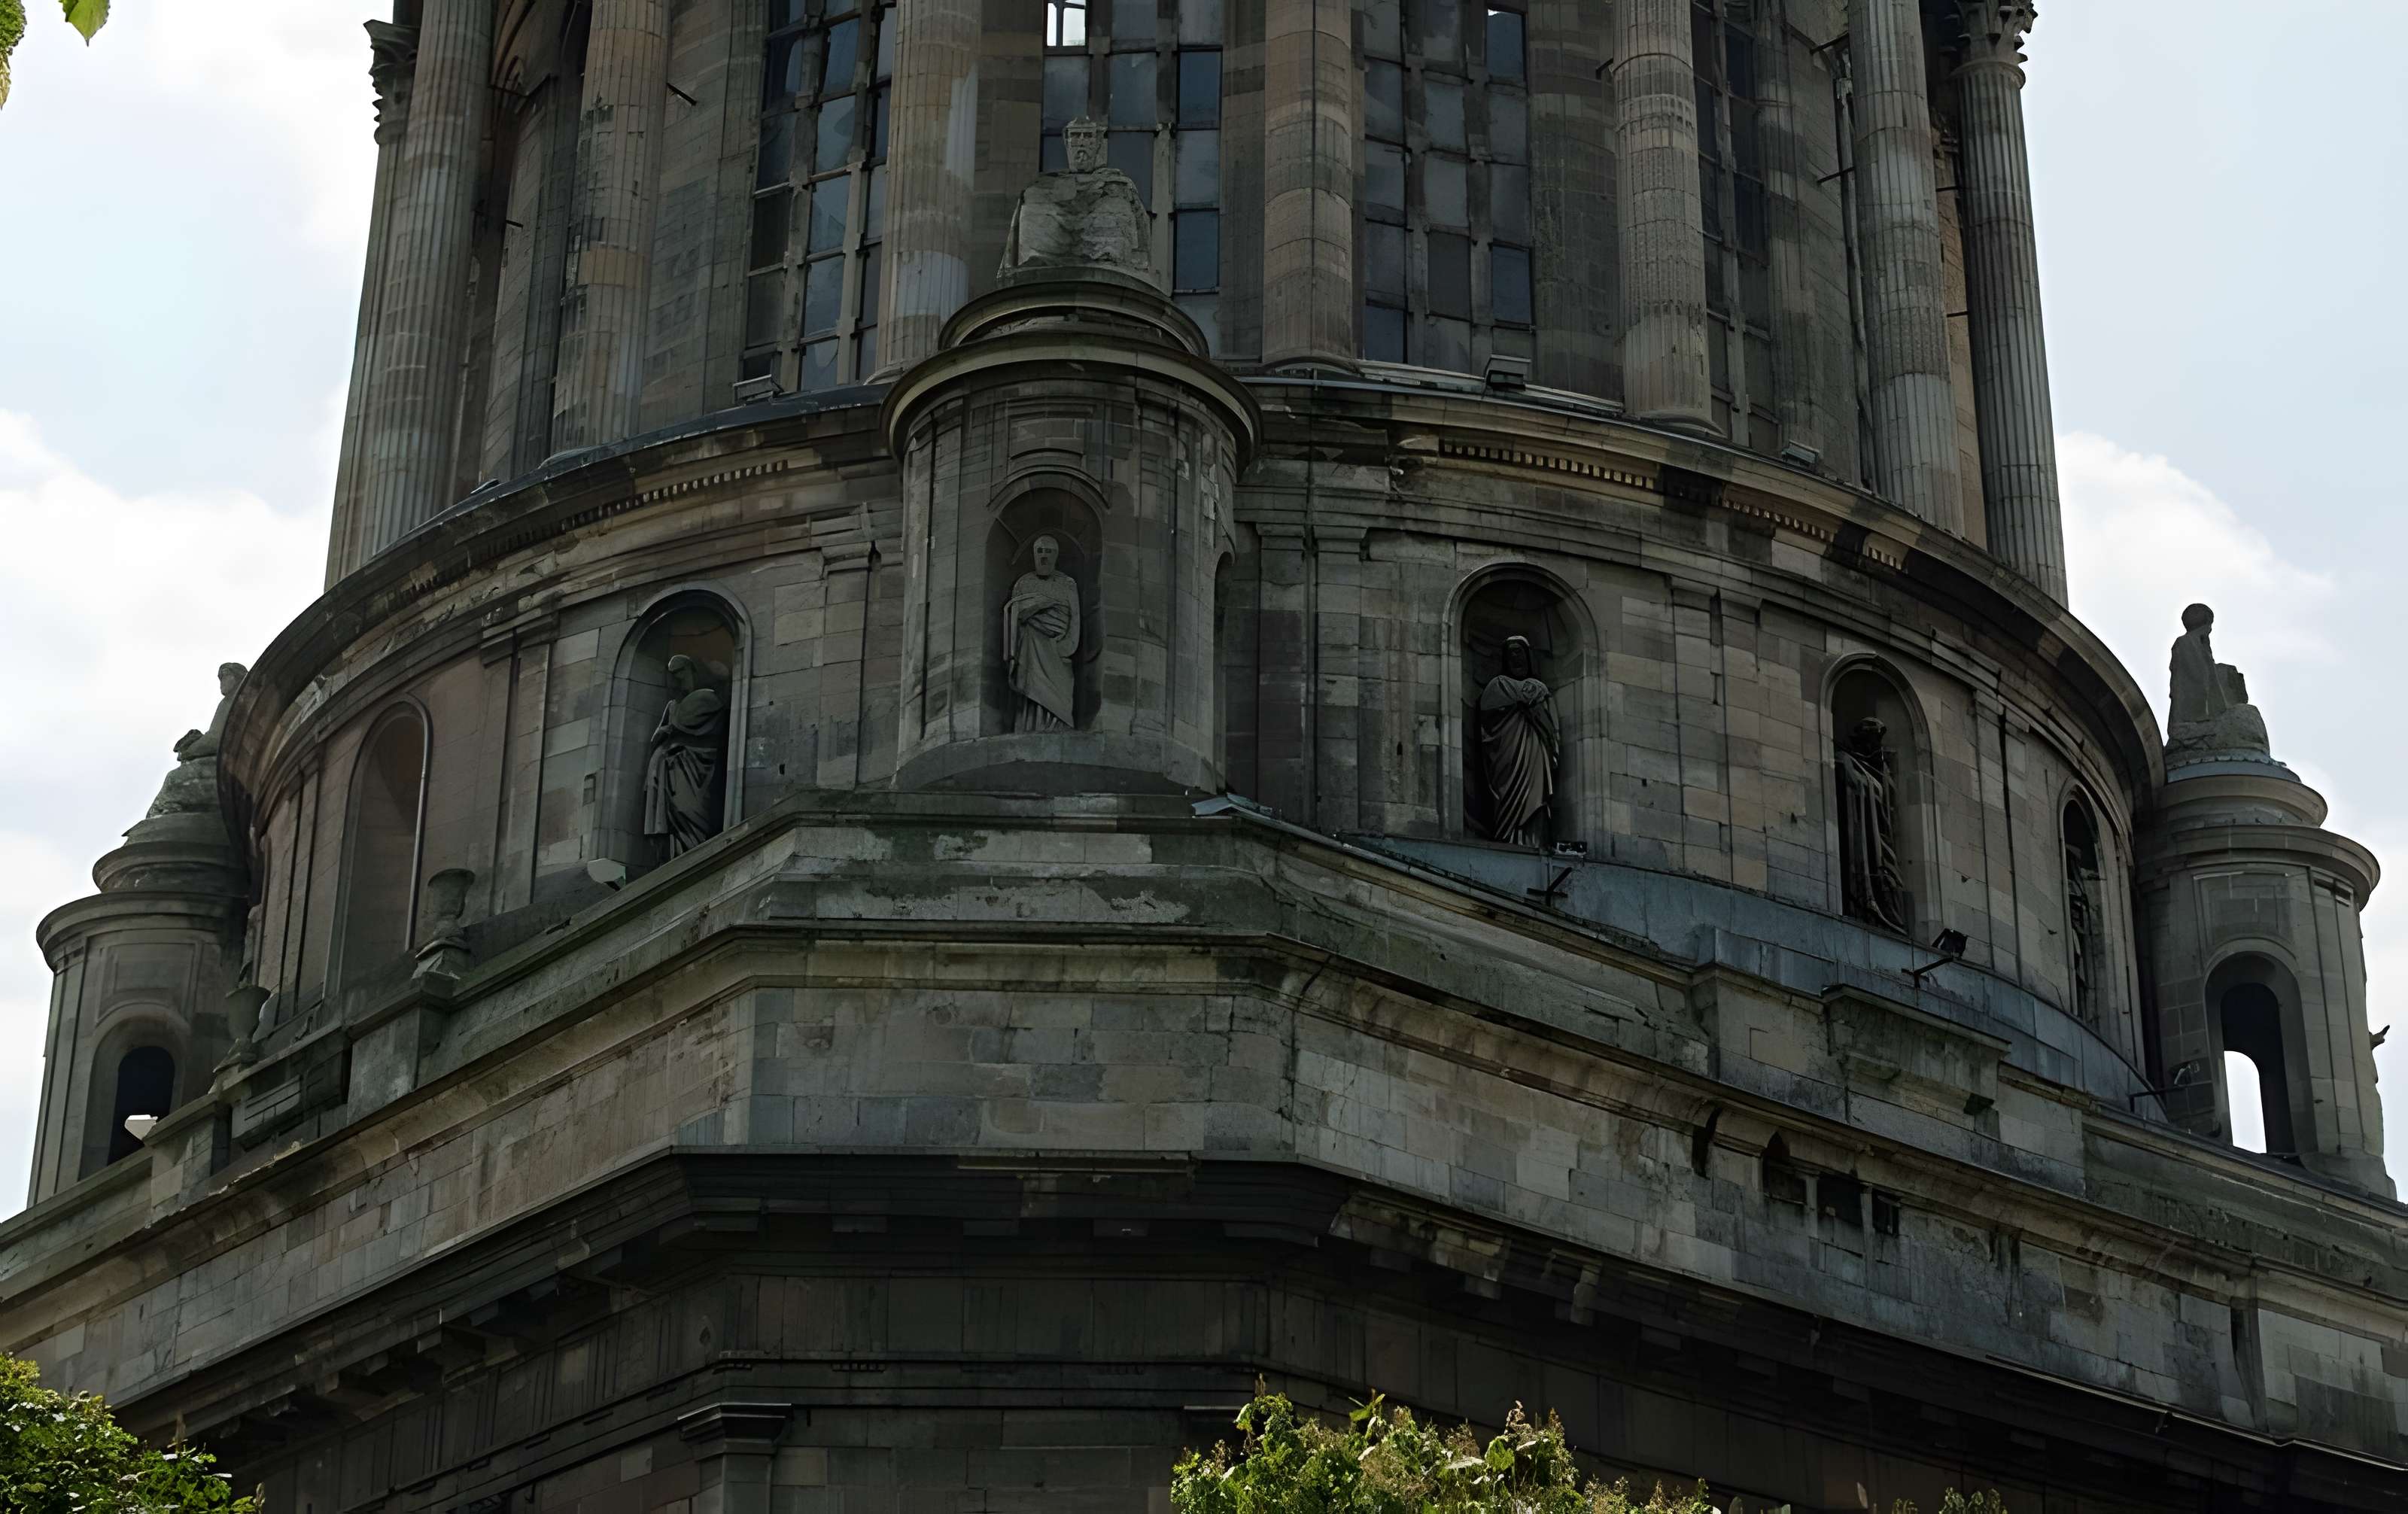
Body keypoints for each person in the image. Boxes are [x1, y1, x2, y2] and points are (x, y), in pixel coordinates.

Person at [1476, 635, 1560, 848]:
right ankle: (1508, 837)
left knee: (1536, 801)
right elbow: (1488, 716)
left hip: (1535, 755)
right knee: (1509, 800)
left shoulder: (1540, 689)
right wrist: (1523, 701)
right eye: (1512, 653)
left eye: (1520, 652)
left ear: (1528, 657)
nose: (1517, 658)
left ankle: (1535, 842)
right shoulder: (1499, 685)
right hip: (1509, 755)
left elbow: (1551, 725)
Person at [643, 655, 728, 857]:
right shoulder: (673, 706)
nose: (677, 678)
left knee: (689, 810)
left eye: (680, 672)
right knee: (675, 816)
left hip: (695, 768)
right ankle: (677, 858)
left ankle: (694, 855)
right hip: (671, 769)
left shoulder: (708, 698)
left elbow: (700, 728)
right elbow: (656, 736)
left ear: (693, 670)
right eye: (673, 674)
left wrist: (671, 728)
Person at [1837, 716, 1910, 933]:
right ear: (1861, 740)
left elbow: (1892, 803)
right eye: (1871, 739)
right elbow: (1850, 781)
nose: (1876, 745)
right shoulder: (1846, 760)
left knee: (1890, 873)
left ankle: (1890, 915)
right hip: (1864, 831)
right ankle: (1867, 904)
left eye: (1878, 741)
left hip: (1881, 834)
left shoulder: (1883, 772)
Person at [1004, 535, 1081, 731]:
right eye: (1040, 551)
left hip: (1057, 646)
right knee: (1031, 687)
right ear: (1034, 555)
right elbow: (1015, 615)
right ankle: (1031, 726)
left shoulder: (1067, 583)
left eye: (1048, 552)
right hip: (1030, 645)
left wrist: (1068, 646)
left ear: (1056, 556)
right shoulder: (1023, 583)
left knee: (1061, 691)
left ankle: (1058, 727)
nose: (1044, 557)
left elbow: (1075, 617)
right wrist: (1038, 605)